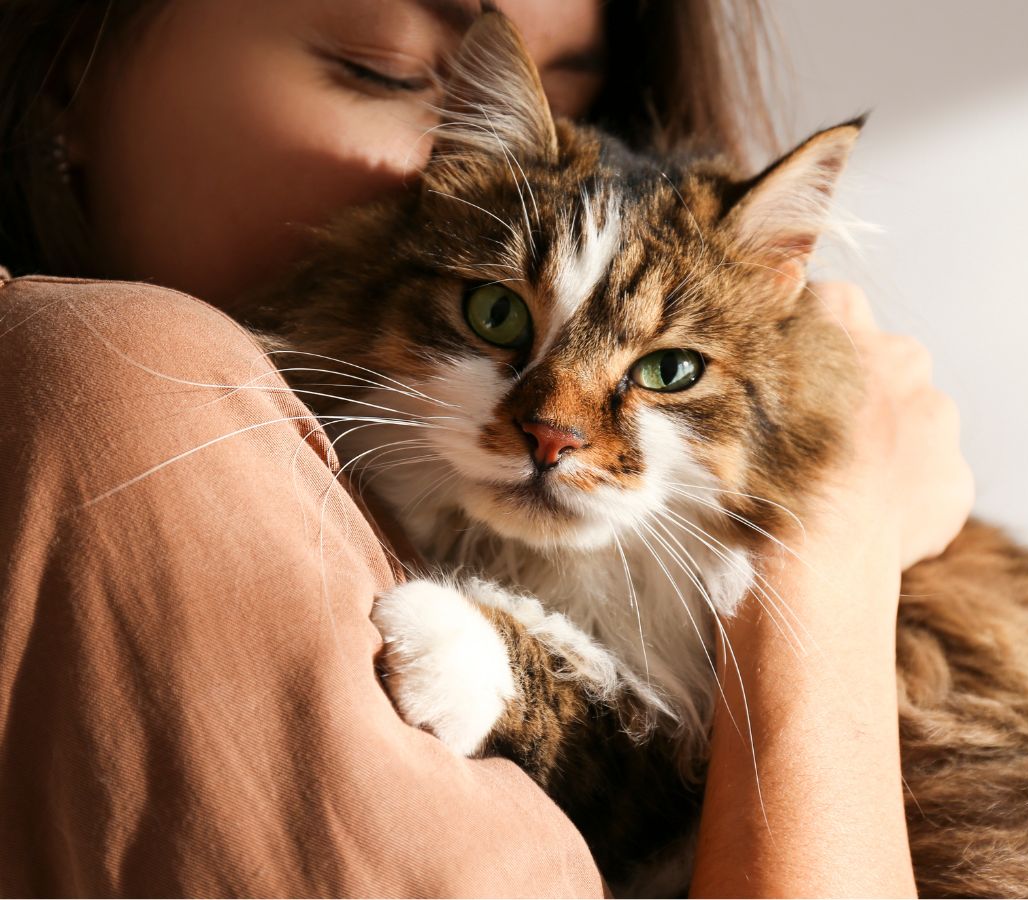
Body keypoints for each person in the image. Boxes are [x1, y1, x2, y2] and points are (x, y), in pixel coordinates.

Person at [0, 0, 972, 895]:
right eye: (390, 70)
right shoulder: (121, 382)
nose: (491, 153)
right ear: (63, 69)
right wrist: (832, 562)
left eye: (573, 97)